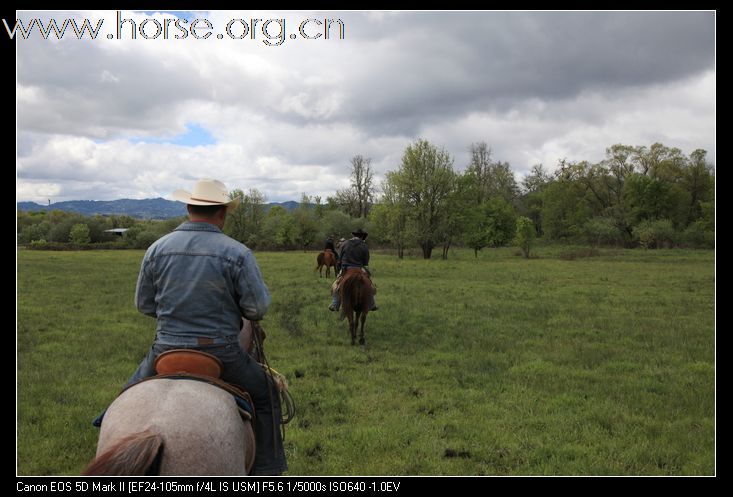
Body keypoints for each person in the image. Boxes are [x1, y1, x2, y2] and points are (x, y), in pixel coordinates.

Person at [94, 179, 287, 476]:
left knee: (124, 398)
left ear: (188, 208)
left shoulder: (157, 248)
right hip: (222, 352)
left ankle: (106, 427)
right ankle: (268, 469)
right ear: (222, 213)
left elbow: (144, 305)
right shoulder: (237, 253)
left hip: (165, 349)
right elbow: (257, 309)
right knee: (267, 395)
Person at [328, 228, 377, 312]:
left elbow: (340, 258)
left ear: (354, 235)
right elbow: (366, 261)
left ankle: (335, 304)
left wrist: (340, 267)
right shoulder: (364, 246)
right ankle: (372, 303)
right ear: (362, 237)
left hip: (346, 267)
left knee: (337, 284)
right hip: (359, 268)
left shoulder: (345, 244)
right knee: (369, 283)